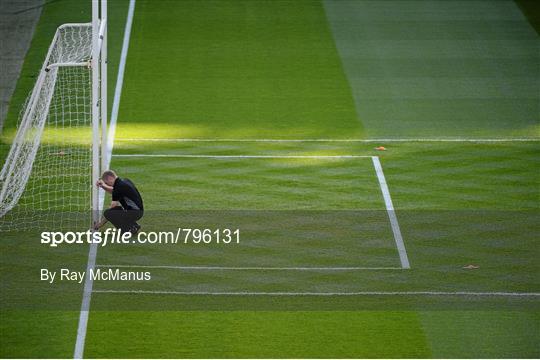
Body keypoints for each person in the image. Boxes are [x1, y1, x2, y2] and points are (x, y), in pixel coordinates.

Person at [93, 170, 144, 234]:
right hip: (138, 211)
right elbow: (114, 191)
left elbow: (112, 207)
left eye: (106, 183)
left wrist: (99, 225)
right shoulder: (124, 181)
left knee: (108, 213)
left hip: (135, 213)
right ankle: (134, 226)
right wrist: (103, 186)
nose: (107, 184)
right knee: (117, 209)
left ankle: (128, 229)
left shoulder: (119, 187)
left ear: (110, 179)